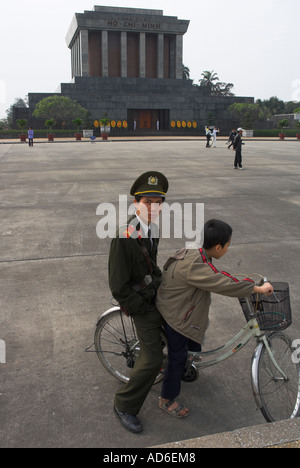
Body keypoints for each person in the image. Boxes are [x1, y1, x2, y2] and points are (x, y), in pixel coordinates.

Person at [156, 219, 273, 418]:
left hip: (177, 303)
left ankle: (190, 355)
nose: (227, 248)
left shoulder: (197, 252)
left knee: (200, 323)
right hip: (175, 313)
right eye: (228, 245)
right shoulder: (196, 265)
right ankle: (166, 399)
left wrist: (244, 280)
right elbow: (220, 282)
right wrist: (256, 288)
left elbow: (217, 275)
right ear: (218, 247)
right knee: (177, 357)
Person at [109, 171, 169, 433]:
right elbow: (118, 287)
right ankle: (124, 404)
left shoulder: (152, 229)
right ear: (136, 203)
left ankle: (180, 367)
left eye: (158, 202)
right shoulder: (124, 236)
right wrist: (142, 308)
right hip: (139, 304)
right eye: (148, 202)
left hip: (153, 295)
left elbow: (152, 266)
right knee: (153, 357)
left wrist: (163, 284)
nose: (153, 207)